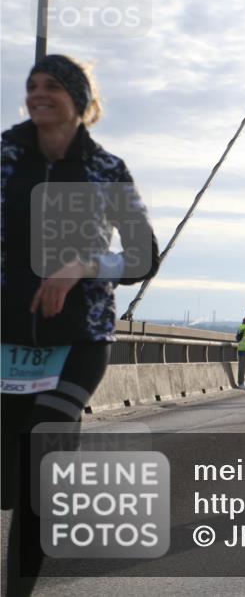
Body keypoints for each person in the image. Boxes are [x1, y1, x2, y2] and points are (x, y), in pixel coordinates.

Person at [1, 55, 160, 595]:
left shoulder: (105, 169)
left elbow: (142, 255)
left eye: (51, 85)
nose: (36, 94)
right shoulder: (4, 157)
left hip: (79, 339)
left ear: (79, 98)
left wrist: (83, 266)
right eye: (31, 85)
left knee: (37, 469)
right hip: (5, 333)